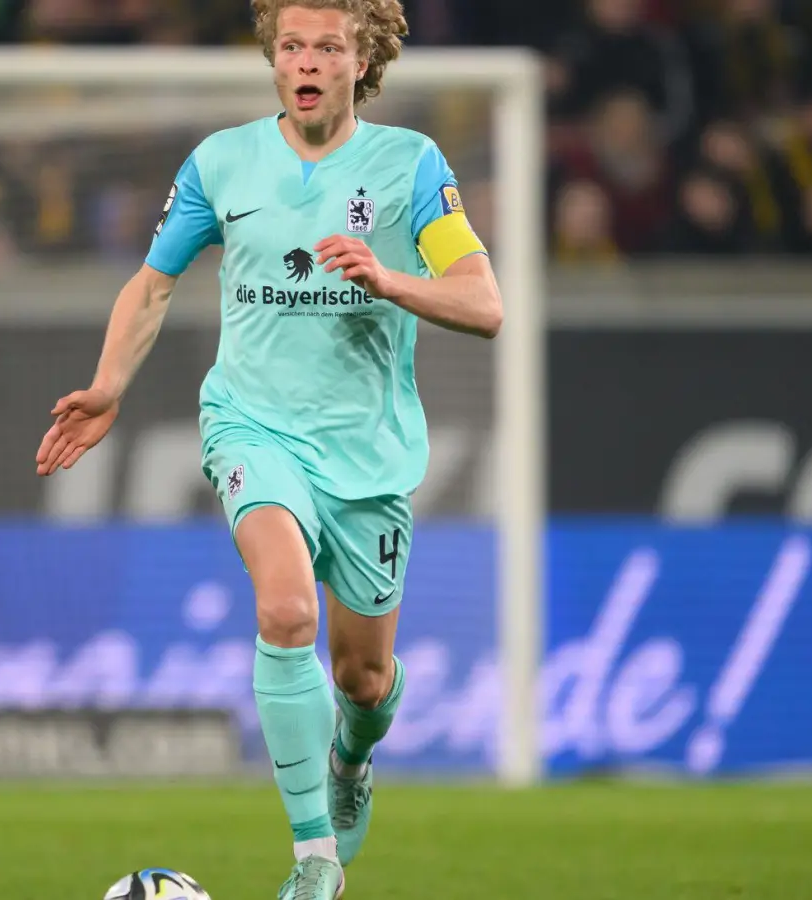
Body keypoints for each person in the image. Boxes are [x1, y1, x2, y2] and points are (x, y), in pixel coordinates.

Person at [34, 0, 502, 896]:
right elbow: (153, 285)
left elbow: (485, 306)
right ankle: (315, 861)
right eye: (292, 45)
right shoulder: (222, 161)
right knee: (286, 613)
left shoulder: (410, 166)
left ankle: (352, 765)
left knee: (362, 682)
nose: (308, 61)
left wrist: (387, 277)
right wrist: (108, 386)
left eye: (329, 45)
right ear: (273, 58)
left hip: (368, 456)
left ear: (364, 60)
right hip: (252, 425)